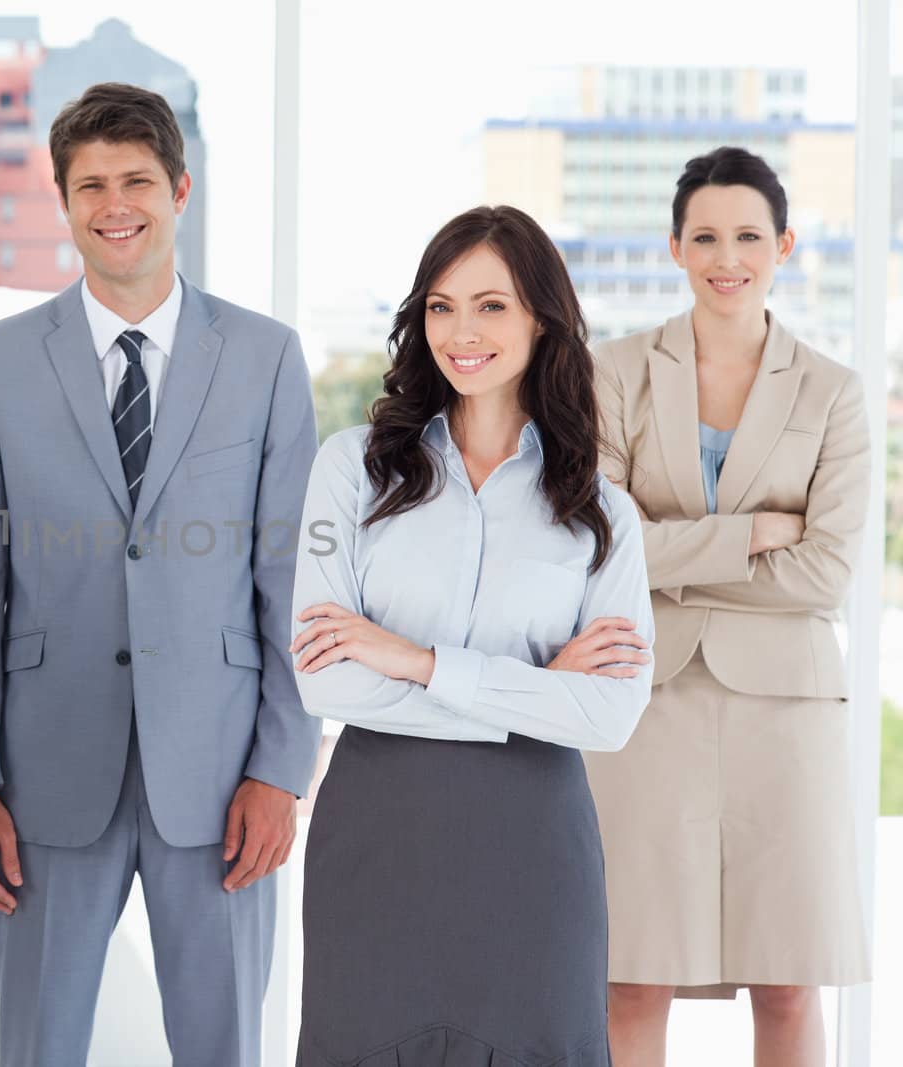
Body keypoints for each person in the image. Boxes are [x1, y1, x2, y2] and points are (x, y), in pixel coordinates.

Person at [0, 81, 320, 1067]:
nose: (116, 203)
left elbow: (290, 581)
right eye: (90, 184)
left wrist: (281, 766)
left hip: (222, 770)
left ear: (180, 190)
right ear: (62, 202)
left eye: (137, 180)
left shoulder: (267, 358)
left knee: (224, 1041)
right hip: (42, 772)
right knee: (38, 1043)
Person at [290, 205, 655, 1066]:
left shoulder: (602, 512)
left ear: (541, 317)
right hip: (379, 837)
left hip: (533, 850)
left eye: (492, 305)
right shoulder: (352, 469)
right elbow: (325, 681)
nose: (463, 331)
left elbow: (609, 718)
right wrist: (535, 690)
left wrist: (415, 661)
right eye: (442, 305)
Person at [585, 146, 871, 1067]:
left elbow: (826, 572)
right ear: (675, 247)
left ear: (784, 244)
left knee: (788, 981)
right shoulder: (615, 372)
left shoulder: (834, 391)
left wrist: (662, 554)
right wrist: (749, 534)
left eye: (748, 235)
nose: (726, 255)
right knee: (632, 972)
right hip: (644, 701)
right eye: (705, 236)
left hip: (786, 715)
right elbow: (599, 551)